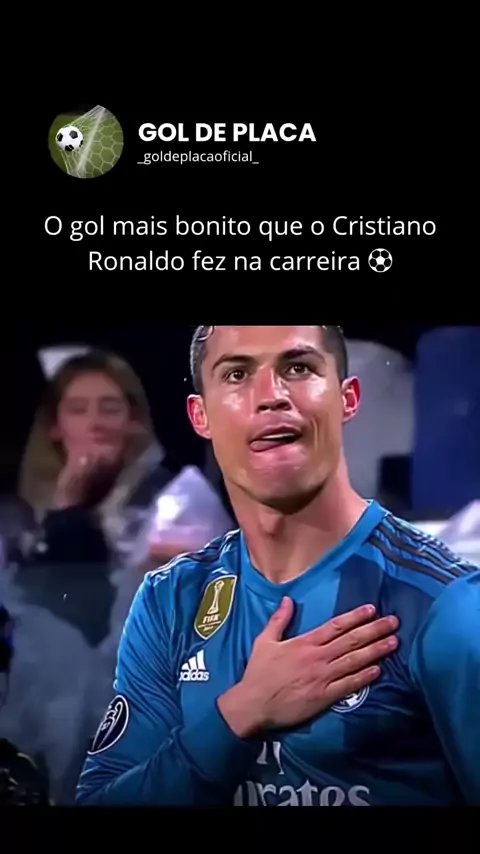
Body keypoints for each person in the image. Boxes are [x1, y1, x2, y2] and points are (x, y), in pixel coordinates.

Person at [76, 326, 480, 807]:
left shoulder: (444, 604)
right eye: (237, 374)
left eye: (298, 367)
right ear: (200, 416)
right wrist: (239, 715)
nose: (271, 395)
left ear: (348, 399)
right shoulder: (170, 600)